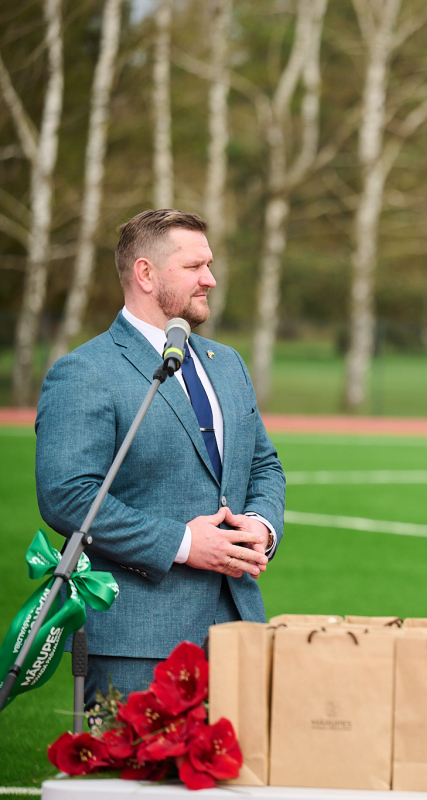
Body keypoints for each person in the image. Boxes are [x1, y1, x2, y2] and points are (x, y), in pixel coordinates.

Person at [35, 209, 286, 703]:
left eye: (209, 265)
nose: (209, 279)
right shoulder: (85, 372)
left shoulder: (228, 363)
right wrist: (183, 543)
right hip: (138, 645)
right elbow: (66, 497)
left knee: (238, 780)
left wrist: (261, 524)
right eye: (194, 267)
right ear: (146, 273)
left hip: (240, 631)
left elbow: (263, 464)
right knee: (135, 781)